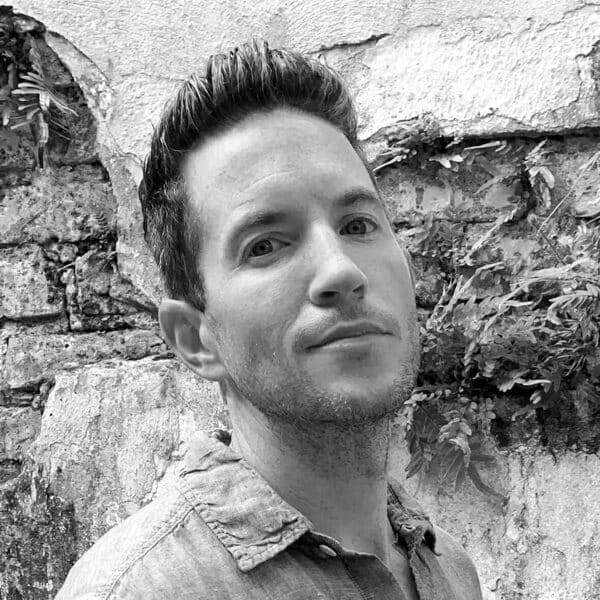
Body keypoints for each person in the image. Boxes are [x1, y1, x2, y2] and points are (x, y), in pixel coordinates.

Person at [56, 40, 483, 600]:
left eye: (357, 225)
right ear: (195, 339)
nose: (341, 270)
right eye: (265, 246)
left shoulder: (451, 570)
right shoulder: (139, 590)